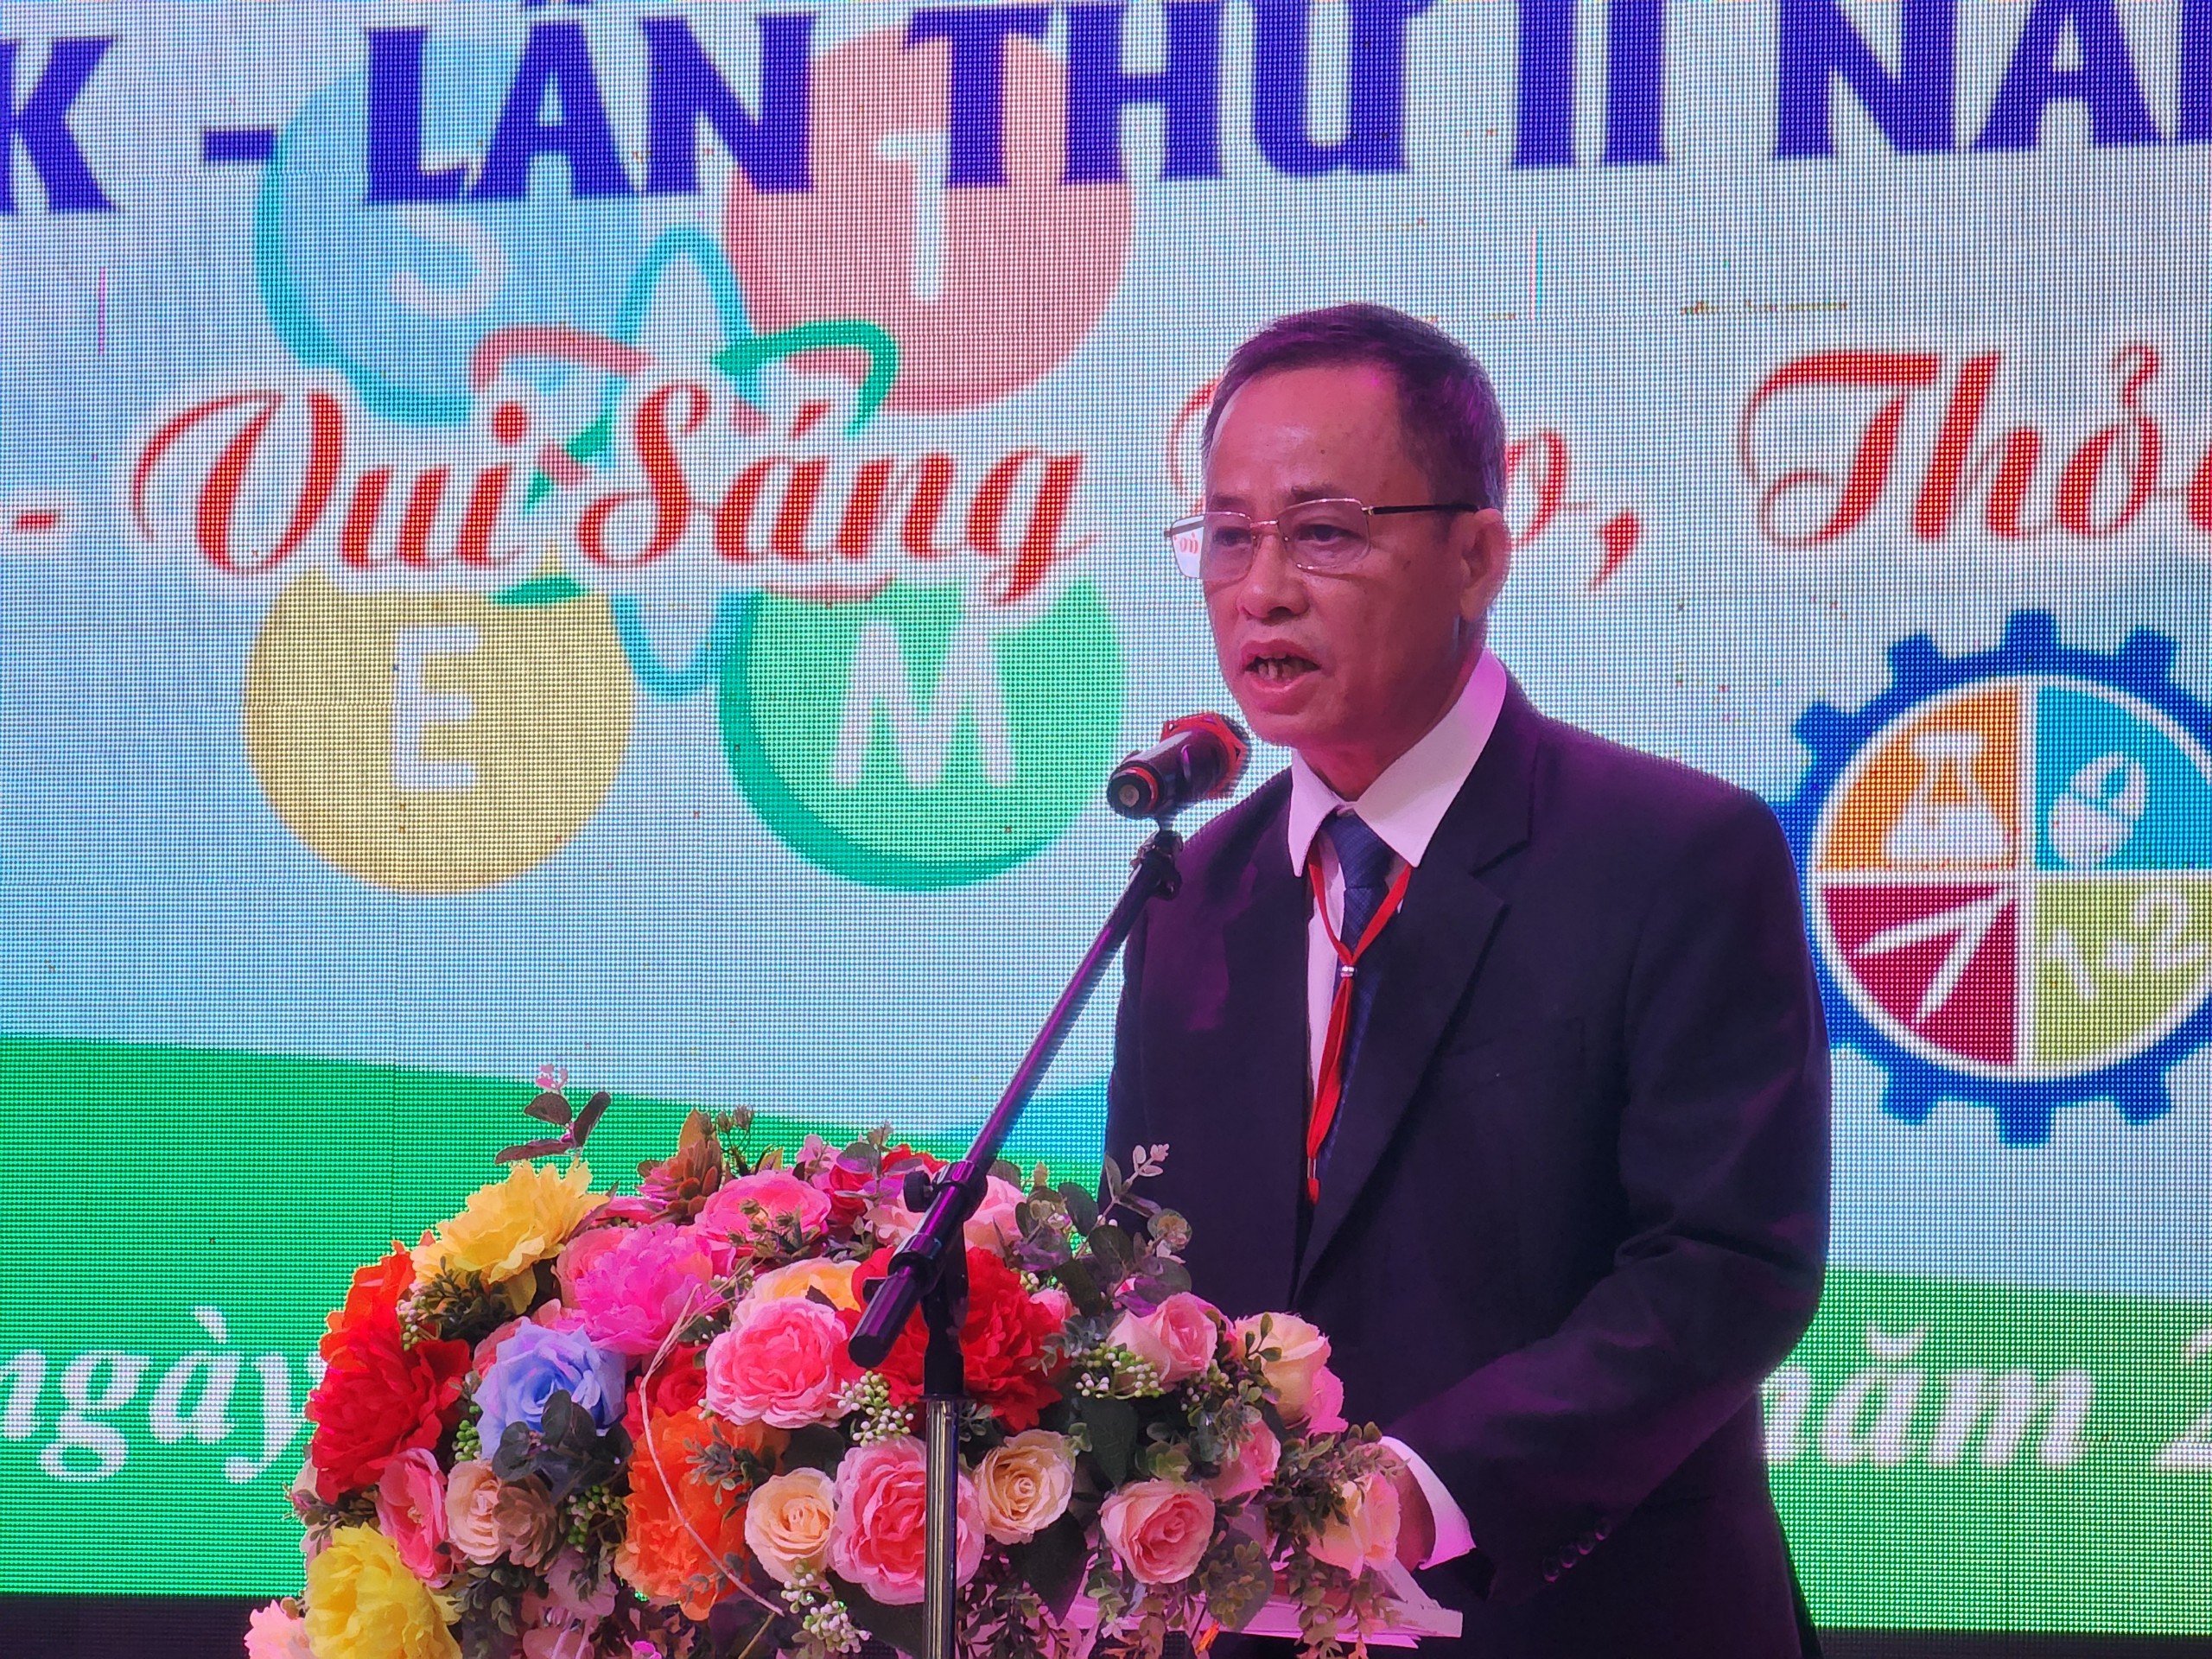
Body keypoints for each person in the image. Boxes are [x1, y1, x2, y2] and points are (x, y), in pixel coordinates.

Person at [1103, 303, 1830, 1659]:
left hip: (1587, 1622)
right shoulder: (1194, 894)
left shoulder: (1675, 855)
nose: (1263, 589)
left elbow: (1726, 1266)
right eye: (1228, 535)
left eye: (1325, 532)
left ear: (1478, 556)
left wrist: (1423, 1491)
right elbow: (1149, 1268)